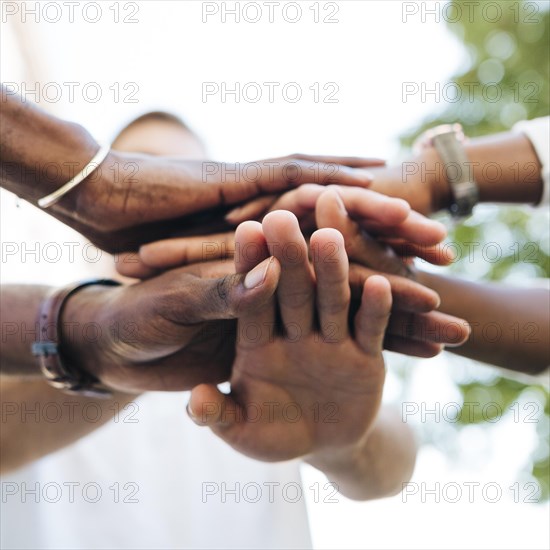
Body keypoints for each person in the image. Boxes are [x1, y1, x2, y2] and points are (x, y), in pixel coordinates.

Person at [1, 110, 469, 549]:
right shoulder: (27, 337)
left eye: (192, 174)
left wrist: (344, 443)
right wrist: (129, 337)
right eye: (146, 170)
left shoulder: (272, 340)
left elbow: (392, 467)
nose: (169, 200)